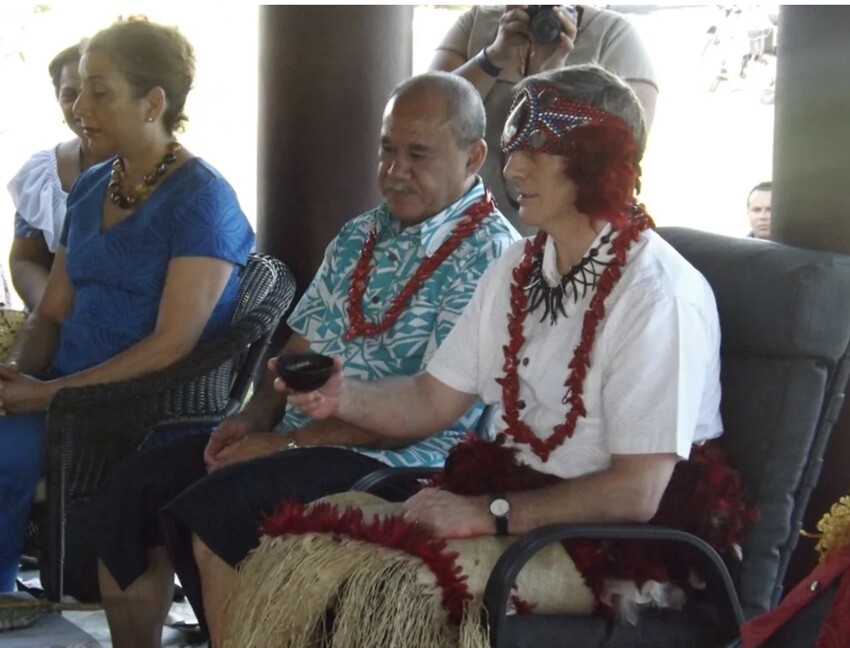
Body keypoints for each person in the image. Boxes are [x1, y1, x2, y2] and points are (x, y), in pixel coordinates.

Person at [85, 71, 519, 647]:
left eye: (418, 155)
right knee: (133, 489)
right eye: (387, 149)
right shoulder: (361, 233)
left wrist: (283, 446)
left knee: (215, 510)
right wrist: (249, 419)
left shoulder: (494, 256)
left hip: (404, 460)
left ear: (475, 156)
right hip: (299, 439)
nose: (394, 170)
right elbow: (297, 350)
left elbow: (431, 415)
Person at [288, 64, 721, 550]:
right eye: (515, 149)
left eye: (536, 152)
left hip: (616, 544)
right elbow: (430, 399)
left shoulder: (658, 294)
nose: (512, 168)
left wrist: (485, 512)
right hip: (521, 499)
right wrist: (341, 397)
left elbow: (637, 492)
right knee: (308, 547)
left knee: (383, 587)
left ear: (598, 164)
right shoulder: (519, 265)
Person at [0, 18, 254, 595]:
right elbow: (52, 311)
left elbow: (171, 345)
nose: (79, 105)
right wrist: (17, 369)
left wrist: (43, 394)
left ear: (152, 103)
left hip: (144, 411)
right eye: (79, 89)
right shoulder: (95, 186)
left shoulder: (201, 200)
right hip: (64, 394)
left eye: (99, 90)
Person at [432, 5, 658, 234]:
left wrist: (550, 80)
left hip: (570, 233)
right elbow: (423, 119)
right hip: (464, 225)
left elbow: (623, 152)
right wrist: (493, 56)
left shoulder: (614, 36)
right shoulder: (477, 21)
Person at [7, 41, 112, 312]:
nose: (82, 107)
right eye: (69, 95)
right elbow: (25, 259)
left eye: (99, 93)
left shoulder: (155, 173)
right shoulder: (43, 173)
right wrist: (54, 313)